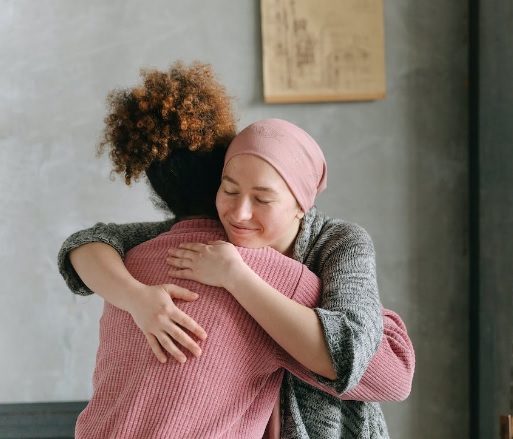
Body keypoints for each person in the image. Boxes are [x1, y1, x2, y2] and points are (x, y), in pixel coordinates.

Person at [59, 62, 414, 439]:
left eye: (262, 198)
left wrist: (237, 276)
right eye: (228, 191)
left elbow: (363, 359)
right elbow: (87, 242)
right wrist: (138, 299)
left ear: (301, 204)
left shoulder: (337, 243)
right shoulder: (203, 243)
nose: (240, 212)